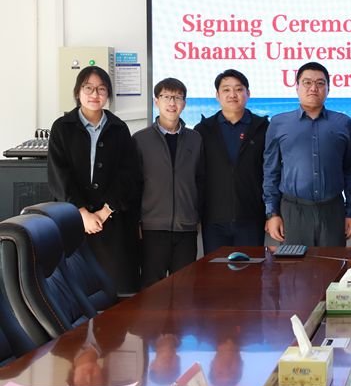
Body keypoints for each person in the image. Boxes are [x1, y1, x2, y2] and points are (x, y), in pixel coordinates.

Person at [47, 66, 140, 295]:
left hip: (112, 222)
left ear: (108, 94)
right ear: (78, 91)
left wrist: (105, 210)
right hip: (72, 221)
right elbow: (59, 175)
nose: (95, 94)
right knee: (75, 294)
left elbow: (128, 175)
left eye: (101, 89)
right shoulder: (62, 128)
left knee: (115, 295)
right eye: (88, 88)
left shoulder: (119, 128)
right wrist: (81, 212)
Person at [263, 62, 351, 246]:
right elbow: (271, 171)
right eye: (307, 82)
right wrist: (272, 213)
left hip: (333, 210)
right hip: (293, 211)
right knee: (295, 264)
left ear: (328, 88)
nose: (313, 88)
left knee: (332, 263)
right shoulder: (279, 123)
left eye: (320, 83)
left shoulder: (343, 123)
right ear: (297, 87)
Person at [133, 78, 203, 288]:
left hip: (186, 228)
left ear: (184, 103)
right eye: (166, 97)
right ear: (156, 101)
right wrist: (137, 222)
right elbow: (134, 185)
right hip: (152, 227)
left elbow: (200, 181)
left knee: (184, 288)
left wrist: (197, 217)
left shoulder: (195, 139)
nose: (172, 102)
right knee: (151, 289)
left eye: (178, 97)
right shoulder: (140, 139)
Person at [195, 69, 268, 254]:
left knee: (251, 269)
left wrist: (272, 213)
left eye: (238, 89)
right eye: (226, 90)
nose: (232, 94)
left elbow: (272, 172)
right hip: (213, 220)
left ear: (248, 93)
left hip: (252, 217)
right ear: (217, 95)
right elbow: (197, 175)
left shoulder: (263, 128)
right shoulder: (203, 130)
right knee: (215, 270)